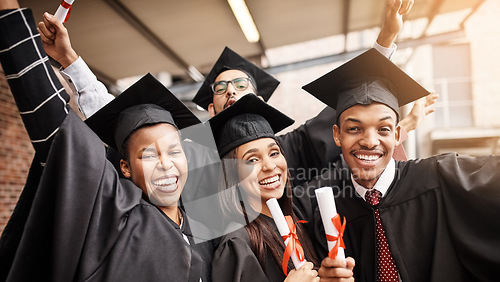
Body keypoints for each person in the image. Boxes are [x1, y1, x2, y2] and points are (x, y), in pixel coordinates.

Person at [37, 0, 435, 187]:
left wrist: (385, 41)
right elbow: (127, 127)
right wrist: (72, 61)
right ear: (211, 107)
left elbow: (348, 113)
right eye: (222, 88)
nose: (232, 92)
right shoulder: (187, 153)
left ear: (260, 100)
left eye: (242, 85)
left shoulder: (291, 149)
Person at [0, 3, 221, 282]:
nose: (165, 162)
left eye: (175, 151)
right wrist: (10, 17)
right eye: (149, 156)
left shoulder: (206, 222)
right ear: (124, 168)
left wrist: (72, 59)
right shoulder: (117, 217)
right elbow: (58, 133)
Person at [294, 48, 500, 282]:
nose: (369, 141)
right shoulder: (326, 211)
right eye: (355, 129)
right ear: (337, 135)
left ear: (398, 133)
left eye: (383, 129)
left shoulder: (439, 178)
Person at [206, 93, 356, 282]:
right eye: (252, 159)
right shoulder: (236, 243)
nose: (269, 166)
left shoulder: (301, 220)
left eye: (274, 153)